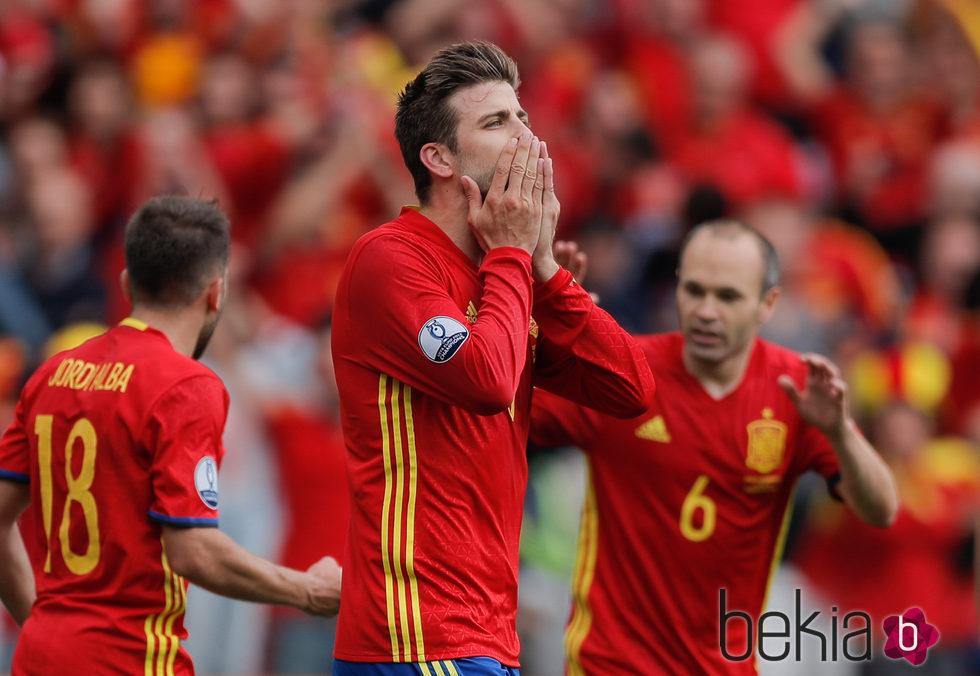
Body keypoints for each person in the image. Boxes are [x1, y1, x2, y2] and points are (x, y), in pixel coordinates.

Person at [330, 41, 655, 676]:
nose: (526, 136)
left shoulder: (502, 275)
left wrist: (547, 272)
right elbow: (486, 382)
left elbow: (632, 389)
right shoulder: (389, 258)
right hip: (417, 632)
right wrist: (512, 256)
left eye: (524, 117)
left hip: (481, 632)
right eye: (496, 121)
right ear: (439, 158)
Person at [531, 219, 899, 675]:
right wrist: (541, 342)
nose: (706, 310)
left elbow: (881, 510)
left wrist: (840, 432)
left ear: (767, 305)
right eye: (695, 291)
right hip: (609, 663)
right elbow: (502, 415)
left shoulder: (796, 390)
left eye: (727, 297)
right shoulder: (622, 371)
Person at [0, 195, 342, 675]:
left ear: (126, 281)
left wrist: (39, 621)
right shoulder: (187, 386)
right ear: (215, 292)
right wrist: (306, 590)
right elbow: (192, 550)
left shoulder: (54, 372)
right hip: (130, 659)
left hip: (42, 656)